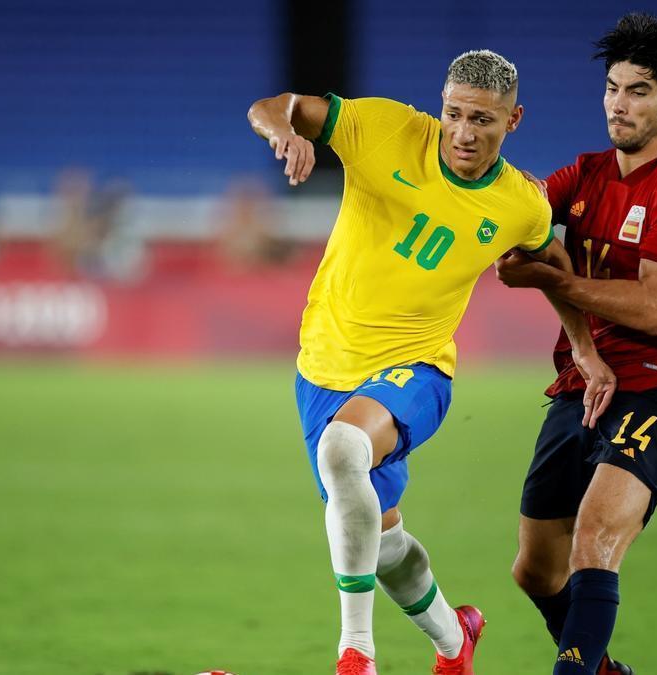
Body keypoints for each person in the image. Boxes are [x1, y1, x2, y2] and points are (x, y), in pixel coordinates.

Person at [247, 50, 615, 675]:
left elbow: (551, 263)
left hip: (418, 370)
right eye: (455, 114)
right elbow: (272, 106)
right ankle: (455, 639)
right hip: (323, 366)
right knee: (382, 541)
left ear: (513, 120)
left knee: (342, 452)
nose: (465, 132)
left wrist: (584, 346)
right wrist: (282, 130)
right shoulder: (383, 128)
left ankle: (355, 652)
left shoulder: (519, 203)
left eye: (484, 120)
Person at [495, 14, 657, 675]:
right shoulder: (586, 175)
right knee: (535, 569)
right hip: (580, 386)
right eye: (613, 88)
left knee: (593, 541)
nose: (619, 105)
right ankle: (600, 669)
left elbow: (654, 309)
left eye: (639, 91)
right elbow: (522, 233)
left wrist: (552, 273)